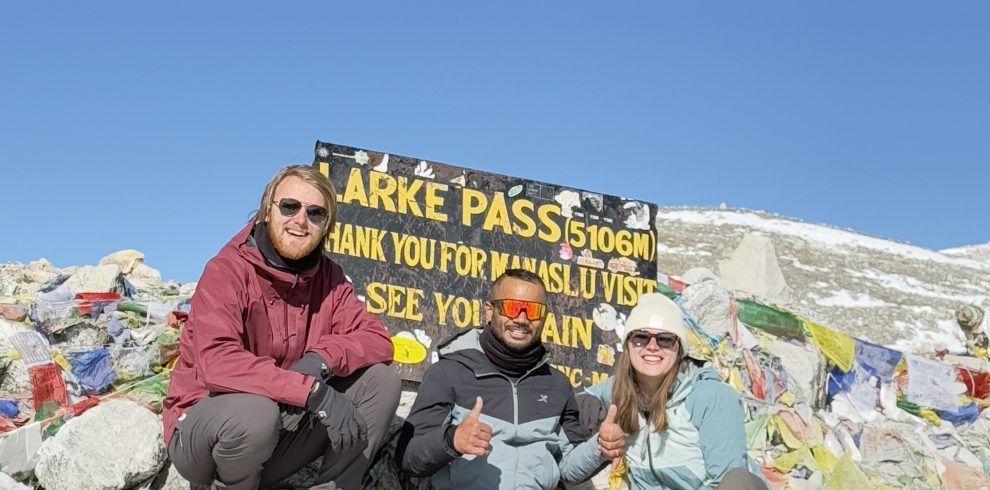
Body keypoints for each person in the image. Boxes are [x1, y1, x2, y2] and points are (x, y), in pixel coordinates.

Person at [163, 165, 401, 489]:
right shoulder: (227, 270)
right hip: (207, 434)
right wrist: (310, 391)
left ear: (326, 226)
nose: (301, 220)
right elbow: (216, 362)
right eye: (290, 206)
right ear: (266, 211)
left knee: (380, 381)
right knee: (255, 413)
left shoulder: (329, 279)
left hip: (278, 430)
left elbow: (377, 339)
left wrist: (322, 359)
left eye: (315, 213)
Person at [397, 269, 625, 489]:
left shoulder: (557, 385)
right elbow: (408, 458)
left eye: (533, 311)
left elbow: (567, 469)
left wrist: (600, 449)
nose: (522, 319)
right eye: (512, 307)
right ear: (489, 311)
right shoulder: (449, 373)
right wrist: (451, 440)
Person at [578, 293, 767, 490]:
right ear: (628, 345)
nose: (652, 347)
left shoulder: (710, 398)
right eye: (641, 337)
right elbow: (588, 397)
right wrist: (584, 402)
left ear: (680, 349)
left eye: (665, 339)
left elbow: (726, 481)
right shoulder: (621, 390)